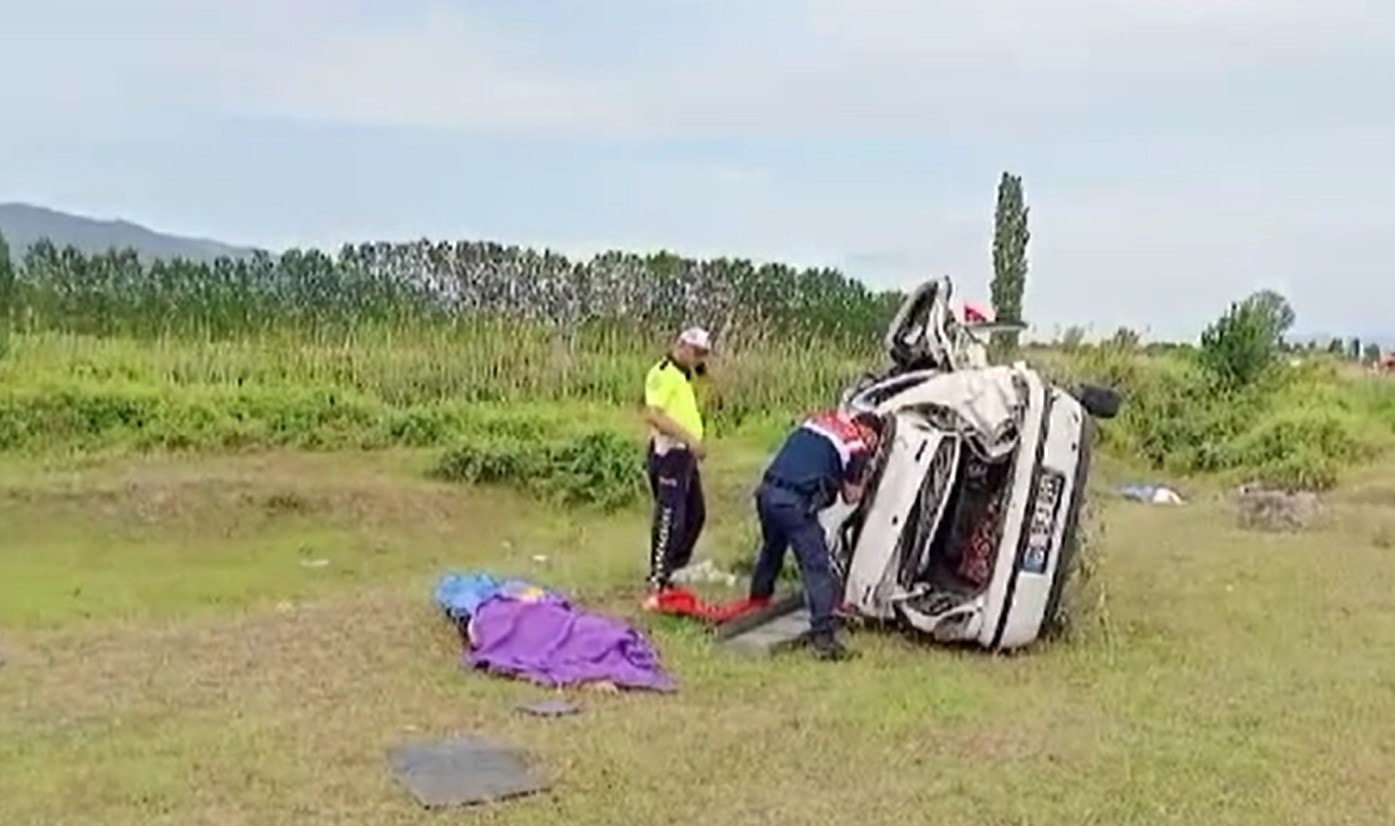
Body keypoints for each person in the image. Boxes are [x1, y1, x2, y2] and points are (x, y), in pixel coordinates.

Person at [746, 408, 885, 661]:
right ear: (871, 435)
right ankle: (824, 637)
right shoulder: (857, 446)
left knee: (773, 548)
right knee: (816, 565)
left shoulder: (821, 420)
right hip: (794, 502)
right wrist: (867, 475)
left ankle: (757, 602)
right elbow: (851, 496)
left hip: (766, 492)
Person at [640, 326, 712, 605]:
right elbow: (654, 415)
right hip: (669, 454)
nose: (698, 359)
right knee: (670, 519)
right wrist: (690, 440)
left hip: (685, 457)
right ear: (681, 345)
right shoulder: (662, 373)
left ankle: (673, 569)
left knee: (696, 515)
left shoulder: (686, 375)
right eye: (695, 352)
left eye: (703, 354)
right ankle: (657, 580)